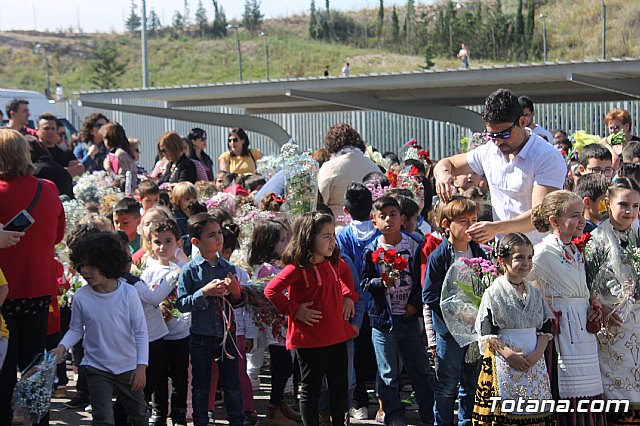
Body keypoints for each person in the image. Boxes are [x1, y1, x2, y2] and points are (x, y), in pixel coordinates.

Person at [433, 88, 566, 244]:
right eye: (491, 135)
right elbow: (447, 163)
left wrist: (496, 228)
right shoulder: (490, 150)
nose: (497, 141)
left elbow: (540, 215)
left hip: (539, 253)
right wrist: (443, 174)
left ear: (522, 122)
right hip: (504, 252)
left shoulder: (546, 156)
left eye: (503, 134)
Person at [265, 212, 359, 426]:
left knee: (339, 388)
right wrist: (295, 310)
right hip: (311, 340)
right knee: (311, 389)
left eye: (333, 235)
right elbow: (271, 290)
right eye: (326, 236)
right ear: (309, 237)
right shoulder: (297, 269)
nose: (332, 241)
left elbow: (346, 275)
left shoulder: (334, 263)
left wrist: (349, 297)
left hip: (336, 336)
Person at [0, 128, 65, 426]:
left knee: (3, 365)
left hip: (3, 290)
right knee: (34, 364)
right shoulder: (48, 188)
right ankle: (38, 418)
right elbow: (59, 234)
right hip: (38, 287)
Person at [52, 232, 149, 426]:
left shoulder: (128, 293)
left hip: (128, 367)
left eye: (92, 265)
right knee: (102, 418)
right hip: (97, 367)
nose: (85, 271)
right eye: (81, 265)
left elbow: (140, 331)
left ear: (108, 264)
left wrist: (141, 367)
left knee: (139, 415)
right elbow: (75, 330)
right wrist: (62, 347)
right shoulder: (81, 297)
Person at [529, 190, 605, 425]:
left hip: (583, 331)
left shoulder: (574, 250)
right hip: (563, 334)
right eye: (574, 215)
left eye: (582, 214)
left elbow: (581, 290)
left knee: (589, 389)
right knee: (568, 392)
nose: (582, 221)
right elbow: (530, 289)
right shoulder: (542, 253)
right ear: (554, 221)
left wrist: (593, 306)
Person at [361, 196, 434, 426]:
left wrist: (415, 305)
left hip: (410, 319)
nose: (389, 219)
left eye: (393, 214)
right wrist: (380, 283)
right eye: (382, 216)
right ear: (375, 222)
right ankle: (393, 414)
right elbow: (364, 281)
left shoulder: (414, 244)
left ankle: (429, 412)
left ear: (402, 219)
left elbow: (423, 279)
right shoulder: (371, 249)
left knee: (420, 369)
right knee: (388, 373)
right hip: (384, 321)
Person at [472, 233, 555, 425]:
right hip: (504, 362)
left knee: (535, 413)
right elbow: (488, 334)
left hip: (534, 362)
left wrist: (536, 355)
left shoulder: (534, 292)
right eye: (519, 257)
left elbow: (545, 328)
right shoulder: (493, 292)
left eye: (529, 257)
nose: (526, 263)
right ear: (503, 261)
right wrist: (510, 356)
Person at [176, 213, 246, 426]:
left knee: (232, 384)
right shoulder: (189, 270)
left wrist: (235, 292)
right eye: (211, 235)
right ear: (196, 242)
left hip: (226, 335)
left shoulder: (228, 268)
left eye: (219, 233)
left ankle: (237, 421)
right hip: (201, 336)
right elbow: (182, 304)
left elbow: (237, 303)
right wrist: (204, 292)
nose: (218, 239)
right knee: (201, 385)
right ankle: (200, 421)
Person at [422, 196, 486, 426]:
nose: (470, 226)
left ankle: (466, 421)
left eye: (474, 220)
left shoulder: (479, 252)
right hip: (449, 334)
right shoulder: (439, 256)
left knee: (471, 383)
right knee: (447, 385)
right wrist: (456, 311)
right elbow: (429, 295)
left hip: (474, 330)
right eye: (464, 221)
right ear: (447, 223)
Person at [588, 178, 640, 424]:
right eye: (623, 204)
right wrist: (602, 307)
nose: (630, 211)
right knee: (616, 388)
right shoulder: (596, 239)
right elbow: (586, 283)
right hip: (612, 324)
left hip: (638, 321)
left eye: (636, 205)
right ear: (607, 204)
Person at [248, 220, 299, 426]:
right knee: (284, 367)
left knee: (282, 367)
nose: (287, 243)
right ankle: (273, 409)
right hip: (277, 328)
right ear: (270, 243)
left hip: (284, 326)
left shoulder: (276, 266)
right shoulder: (267, 269)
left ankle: (279, 405)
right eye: (283, 240)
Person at [139, 219, 188, 426]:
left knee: (179, 376)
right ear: (150, 244)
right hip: (157, 334)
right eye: (157, 242)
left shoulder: (183, 268)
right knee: (157, 374)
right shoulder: (149, 271)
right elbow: (144, 297)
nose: (163, 247)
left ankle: (178, 413)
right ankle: (158, 411)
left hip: (180, 331)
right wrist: (159, 307)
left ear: (178, 243)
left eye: (168, 241)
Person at [318, 123, 380, 220]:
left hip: (336, 228)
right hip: (371, 226)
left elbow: (320, 203)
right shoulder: (373, 166)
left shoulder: (330, 168)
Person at [38, 113, 85, 177]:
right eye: (46, 128)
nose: (50, 132)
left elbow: (78, 171)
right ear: (37, 131)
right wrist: (67, 171)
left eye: (53, 128)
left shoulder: (66, 153)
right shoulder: (33, 151)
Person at [101, 122, 139, 190]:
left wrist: (108, 168)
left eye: (104, 139)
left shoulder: (120, 154)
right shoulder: (117, 153)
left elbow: (122, 180)